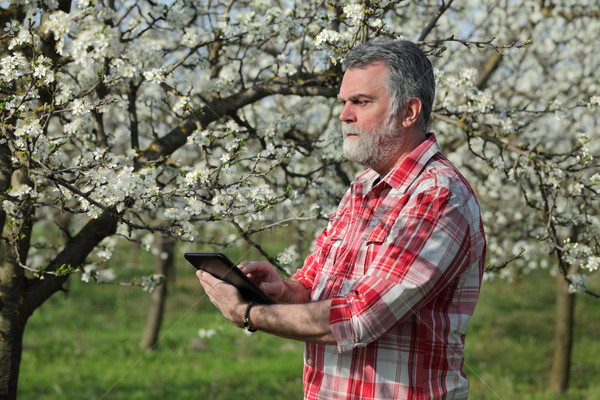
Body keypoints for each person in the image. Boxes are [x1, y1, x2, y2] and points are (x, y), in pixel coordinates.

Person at [197, 37, 486, 400]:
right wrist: (282, 291)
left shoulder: (440, 196)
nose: (344, 114)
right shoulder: (362, 189)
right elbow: (316, 285)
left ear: (409, 111)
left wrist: (248, 313)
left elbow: (358, 317)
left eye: (360, 102)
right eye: (344, 102)